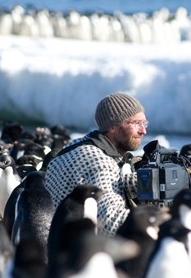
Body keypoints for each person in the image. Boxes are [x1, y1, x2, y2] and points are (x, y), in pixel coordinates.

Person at [44, 92, 147, 235]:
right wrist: (156, 221)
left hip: (59, 241)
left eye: (144, 123)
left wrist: (142, 183)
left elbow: (99, 188)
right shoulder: (98, 161)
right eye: (136, 123)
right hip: (75, 252)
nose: (143, 131)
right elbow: (110, 223)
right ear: (112, 126)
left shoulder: (80, 145)